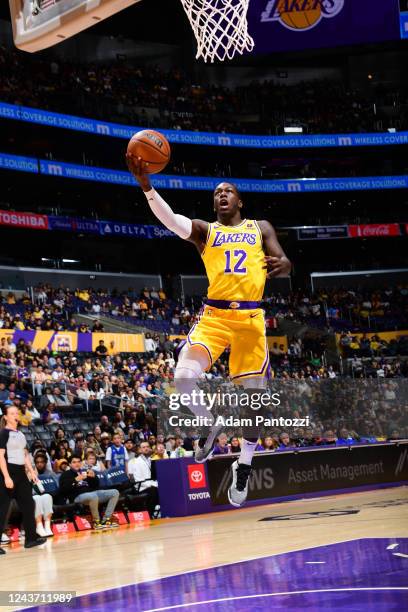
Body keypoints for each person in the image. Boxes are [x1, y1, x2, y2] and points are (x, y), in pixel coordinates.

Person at [127, 155, 291, 507]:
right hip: (215, 317)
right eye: (217, 192)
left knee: (254, 405)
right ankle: (209, 424)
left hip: (250, 321)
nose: (222, 194)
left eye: (228, 190)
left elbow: (282, 257)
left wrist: (286, 262)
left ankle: (244, 464)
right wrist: (146, 186)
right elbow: (171, 221)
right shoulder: (205, 231)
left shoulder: (260, 227)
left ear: (239, 200)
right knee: (184, 375)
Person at [0, 405, 47, 553]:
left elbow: (24, 454)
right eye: (12, 413)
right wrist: (6, 476)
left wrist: (32, 471)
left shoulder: (20, 433)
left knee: (29, 504)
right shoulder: (3, 433)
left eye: (16, 413)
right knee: (3, 508)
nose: (15, 415)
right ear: (6, 417)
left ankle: (31, 538)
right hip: (8, 472)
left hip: (21, 473)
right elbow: (0, 456)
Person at [59, 455, 119, 530]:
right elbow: (63, 490)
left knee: (114, 492)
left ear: (81, 463)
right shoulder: (65, 474)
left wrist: (94, 477)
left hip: (92, 493)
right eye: (74, 462)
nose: (77, 464)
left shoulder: (85, 471)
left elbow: (96, 485)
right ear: (70, 464)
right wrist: (75, 480)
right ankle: (96, 522)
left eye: (78, 462)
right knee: (92, 496)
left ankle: (106, 520)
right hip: (77, 496)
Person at [128, 442, 159, 518]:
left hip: (152, 484)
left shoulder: (151, 460)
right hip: (141, 487)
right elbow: (138, 479)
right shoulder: (136, 462)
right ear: (140, 450)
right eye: (143, 447)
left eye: (147, 446)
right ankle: (150, 514)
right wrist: (153, 484)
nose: (146, 448)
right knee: (154, 490)